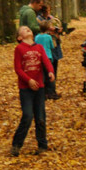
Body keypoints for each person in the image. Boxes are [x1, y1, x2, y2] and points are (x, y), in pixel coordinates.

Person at [10, 26, 55, 157]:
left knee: (40, 117)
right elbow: (18, 69)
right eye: (24, 29)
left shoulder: (39, 47)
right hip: (26, 89)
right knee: (28, 115)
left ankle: (42, 145)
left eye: (28, 28)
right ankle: (16, 145)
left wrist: (50, 71)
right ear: (19, 37)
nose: (28, 29)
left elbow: (46, 61)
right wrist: (28, 80)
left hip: (40, 87)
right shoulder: (19, 49)